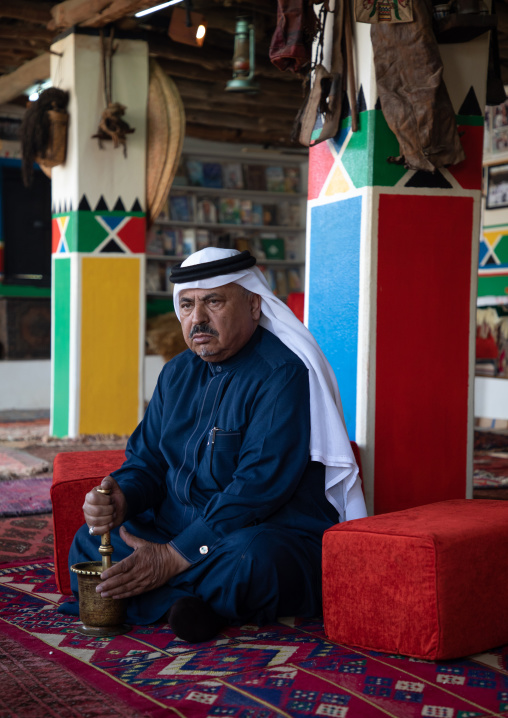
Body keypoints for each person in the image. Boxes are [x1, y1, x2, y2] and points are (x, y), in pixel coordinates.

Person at [62, 247, 367, 642]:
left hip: (259, 529)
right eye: (186, 305)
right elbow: (148, 462)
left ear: (254, 305)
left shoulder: (282, 374)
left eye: (213, 302)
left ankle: (159, 597)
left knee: (254, 561)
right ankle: (181, 607)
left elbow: (258, 488)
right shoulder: (176, 374)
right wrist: (122, 498)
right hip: (178, 529)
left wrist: (175, 557)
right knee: (88, 541)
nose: (197, 319)